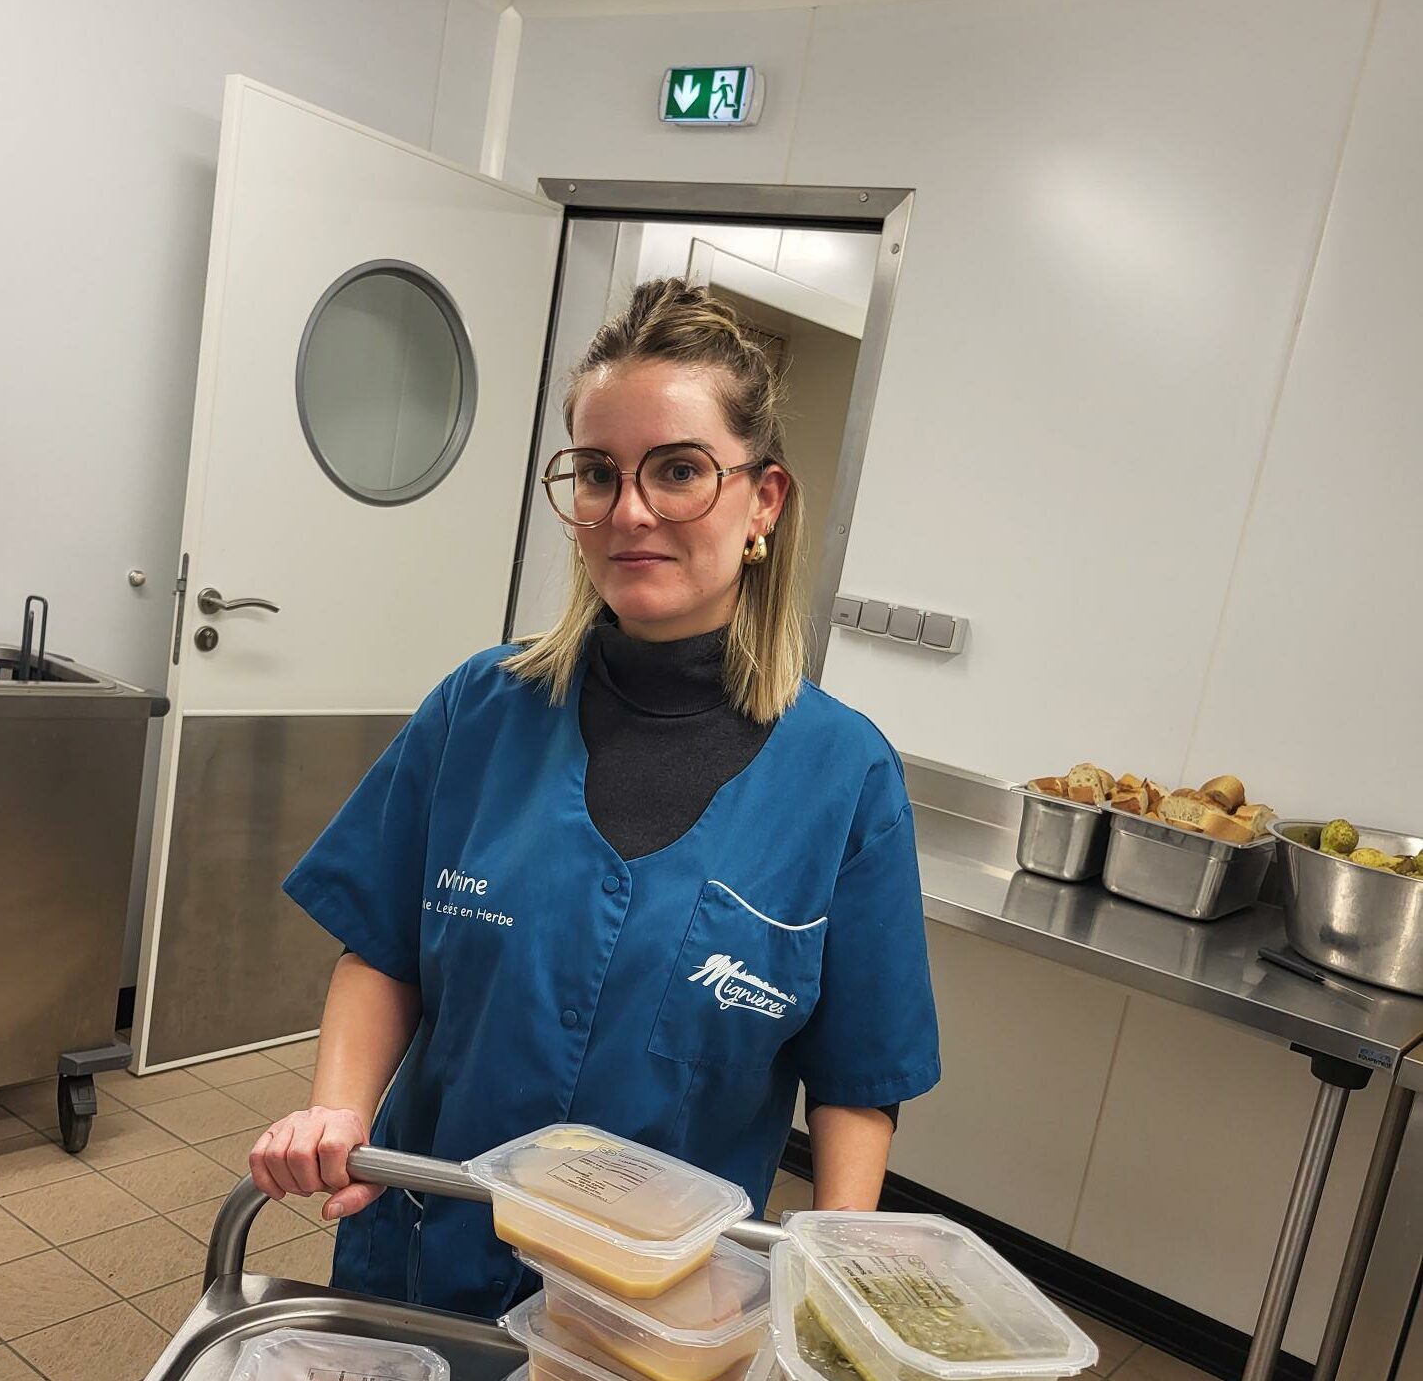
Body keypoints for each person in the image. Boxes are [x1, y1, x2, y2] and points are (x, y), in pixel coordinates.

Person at [249, 278, 940, 1317]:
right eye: (598, 473)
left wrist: (829, 1278)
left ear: (764, 500)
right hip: (432, 1254)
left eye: (679, 471)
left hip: (657, 1310)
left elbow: (855, 1081)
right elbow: (383, 950)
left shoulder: (845, 777)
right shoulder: (481, 709)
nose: (630, 512)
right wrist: (337, 1109)